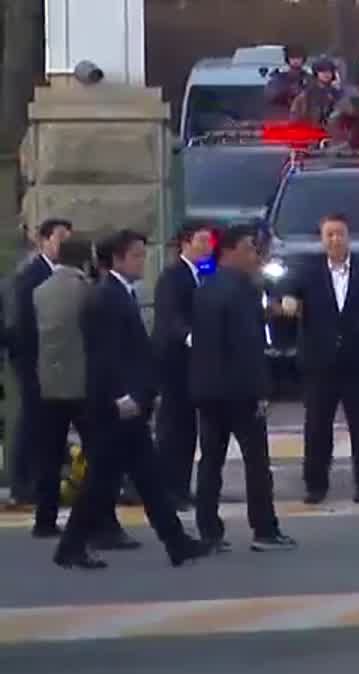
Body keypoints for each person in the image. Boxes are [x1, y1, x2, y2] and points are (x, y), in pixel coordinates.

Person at [53, 230, 209, 570]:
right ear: (118, 259)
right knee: (101, 481)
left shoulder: (121, 294)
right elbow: (104, 356)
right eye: (137, 255)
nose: (142, 261)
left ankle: (176, 542)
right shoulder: (105, 297)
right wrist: (122, 396)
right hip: (115, 407)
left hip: (130, 406)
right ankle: (72, 546)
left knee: (148, 478)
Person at [191, 226, 291, 551]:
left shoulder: (205, 288)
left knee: (210, 463)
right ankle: (264, 528)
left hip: (208, 389)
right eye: (249, 249)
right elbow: (249, 345)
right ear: (230, 251)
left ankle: (209, 530)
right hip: (240, 391)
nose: (255, 257)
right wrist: (262, 390)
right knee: (257, 463)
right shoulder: (244, 289)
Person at [277, 213, 359, 505]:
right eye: (329, 235)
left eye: (340, 234)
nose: (335, 240)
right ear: (322, 239)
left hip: (356, 360)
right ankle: (315, 485)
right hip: (319, 362)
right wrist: (287, 299)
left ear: (348, 237)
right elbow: (283, 289)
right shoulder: (308, 271)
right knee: (316, 427)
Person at [30, 238, 103, 541]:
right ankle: (96, 518)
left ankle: (44, 520)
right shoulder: (87, 291)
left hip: (49, 381)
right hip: (82, 383)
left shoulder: (40, 291)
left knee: (49, 454)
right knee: (99, 452)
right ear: (86, 260)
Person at [8, 218, 72, 507]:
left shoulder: (66, 273)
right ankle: (23, 483)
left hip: (56, 360)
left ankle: (43, 480)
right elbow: (24, 322)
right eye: (60, 238)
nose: (64, 244)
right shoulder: (32, 275)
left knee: (45, 422)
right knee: (32, 420)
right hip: (35, 358)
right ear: (43, 240)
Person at [154, 221, 214, 508]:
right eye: (201, 241)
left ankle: (181, 485)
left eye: (209, 241)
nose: (207, 247)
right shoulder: (172, 276)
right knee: (173, 427)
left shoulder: (206, 273)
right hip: (175, 362)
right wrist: (191, 336)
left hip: (198, 364)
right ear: (186, 244)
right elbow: (170, 317)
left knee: (189, 429)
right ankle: (168, 488)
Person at [290, 57, 343, 126]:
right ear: (316, 73)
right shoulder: (306, 95)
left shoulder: (337, 94)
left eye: (329, 71)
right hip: (309, 131)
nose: (326, 74)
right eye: (322, 71)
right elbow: (295, 117)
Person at [266, 44, 310, 114]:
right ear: (288, 59)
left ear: (303, 59)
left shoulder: (310, 78)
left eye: (298, 58)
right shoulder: (279, 78)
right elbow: (272, 96)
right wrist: (289, 91)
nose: (296, 61)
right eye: (292, 58)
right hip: (283, 116)